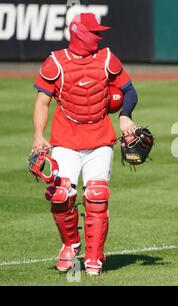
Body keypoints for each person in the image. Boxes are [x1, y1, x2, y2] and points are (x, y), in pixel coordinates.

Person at [31, 12, 138, 275]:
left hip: (99, 139)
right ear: (78, 33)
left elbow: (130, 91)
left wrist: (125, 116)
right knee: (60, 194)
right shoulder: (55, 62)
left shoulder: (107, 59)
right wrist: (38, 135)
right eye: (94, 33)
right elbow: (42, 102)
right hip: (65, 140)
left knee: (97, 195)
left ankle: (94, 257)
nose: (99, 37)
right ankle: (70, 244)